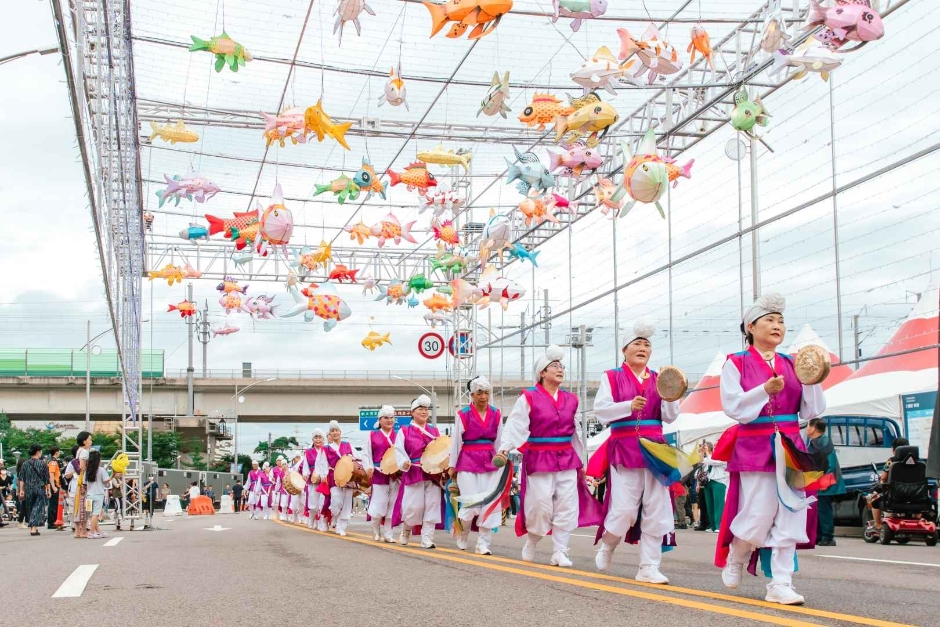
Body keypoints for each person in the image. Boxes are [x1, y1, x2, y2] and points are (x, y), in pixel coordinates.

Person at [716, 293, 825, 606]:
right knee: (758, 513)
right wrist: (763, 390)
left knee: (792, 513)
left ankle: (780, 583)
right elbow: (734, 407)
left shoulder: (792, 363)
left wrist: (812, 378)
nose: (777, 325)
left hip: (791, 447)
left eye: (781, 321)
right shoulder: (736, 362)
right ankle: (737, 554)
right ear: (751, 327)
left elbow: (811, 410)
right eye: (770, 320)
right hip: (755, 445)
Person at [592, 321, 681, 583]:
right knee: (624, 509)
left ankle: (648, 566)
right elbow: (601, 410)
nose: (642, 348)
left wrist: (671, 394)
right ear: (625, 350)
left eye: (647, 345)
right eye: (637, 344)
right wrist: (628, 406)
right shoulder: (611, 376)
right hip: (625, 447)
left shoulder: (659, 378)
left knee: (657, 508)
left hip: (656, 449)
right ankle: (608, 543)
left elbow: (670, 416)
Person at [498, 345, 600, 568]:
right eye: (554, 366)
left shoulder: (572, 400)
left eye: (561, 366)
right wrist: (504, 448)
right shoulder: (529, 397)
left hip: (566, 457)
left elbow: (576, 433)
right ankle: (533, 539)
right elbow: (515, 424)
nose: (560, 369)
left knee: (566, 504)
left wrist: (581, 461)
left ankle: (560, 551)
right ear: (542, 372)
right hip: (539, 456)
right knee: (541, 505)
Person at [450, 376, 503, 555]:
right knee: (471, 503)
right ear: (472, 394)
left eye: (486, 393)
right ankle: (463, 532)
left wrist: (500, 460)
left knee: (489, 504)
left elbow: (499, 441)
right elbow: (456, 442)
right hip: (467, 461)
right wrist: (452, 465)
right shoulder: (463, 414)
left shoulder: (496, 413)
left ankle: (483, 543)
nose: (483, 396)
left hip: (490, 462)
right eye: (479, 393)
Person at [393, 395, 445, 548]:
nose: (424, 412)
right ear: (412, 412)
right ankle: (406, 529)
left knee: (432, 504)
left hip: (433, 473)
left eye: (426, 409)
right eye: (420, 409)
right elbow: (399, 450)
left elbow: (441, 450)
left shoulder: (434, 431)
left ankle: (427, 538)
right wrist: (404, 462)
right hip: (414, 471)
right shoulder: (405, 430)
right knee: (413, 507)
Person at [361, 405, 400, 543]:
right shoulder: (372, 435)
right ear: (380, 420)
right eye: (386, 418)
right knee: (380, 502)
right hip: (379, 473)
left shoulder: (399, 435)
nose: (389, 420)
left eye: (391, 417)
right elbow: (366, 453)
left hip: (396, 475)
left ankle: (388, 533)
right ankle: (375, 528)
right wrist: (368, 466)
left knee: (393, 503)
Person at [315, 421, 361, 536]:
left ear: (340, 432)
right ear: (330, 434)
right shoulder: (326, 448)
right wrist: (323, 475)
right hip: (333, 477)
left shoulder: (348, 445)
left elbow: (358, 458)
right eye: (332, 431)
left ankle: (341, 527)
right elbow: (321, 463)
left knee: (347, 502)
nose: (335, 432)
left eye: (336, 430)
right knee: (336, 501)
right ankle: (332, 516)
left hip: (348, 477)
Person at [806, 418, 844, 546]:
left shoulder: (824, 442)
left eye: (808, 426)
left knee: (824, 510)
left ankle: (828, 537)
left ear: (813, 428)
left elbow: (830, 464)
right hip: (818, 481)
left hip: (824, 483)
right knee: (818, 509)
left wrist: (823, 482)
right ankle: (819, 536)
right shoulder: (816, 442)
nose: (807, 429)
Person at [870, 437, 909, 532]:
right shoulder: (919, 461)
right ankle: (916, 519)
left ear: (894, 450)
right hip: (915, 497)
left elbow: (883, 478)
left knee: (874, 499)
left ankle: (877, 525)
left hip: (895, 496)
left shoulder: (891, 461)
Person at [18, 444, 51, 536]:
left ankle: (34, 527)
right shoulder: (43, 464)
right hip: (39, 488)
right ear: (38, 452)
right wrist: (48, 490)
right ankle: (33, 528)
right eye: (41, 451)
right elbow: (46, 479)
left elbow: (22, 478)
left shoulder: (25, 464)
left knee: (31, 507)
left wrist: (21, 490)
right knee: (37, 507)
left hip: (28, 489)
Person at [301, 430, 327, 530]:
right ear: (313, 439)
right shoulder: (308, 452)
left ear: (323, 439)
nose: (318, 439)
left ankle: (321, 522)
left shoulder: (326, 450)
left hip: (324, 480)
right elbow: (306, 465)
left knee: (322, 502)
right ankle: (311, 519)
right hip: (313, 480)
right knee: (313, 503)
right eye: (316, 437)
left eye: (320, 437)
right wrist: (305, 474)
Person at [84, 450, 113, 539]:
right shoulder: (101, 470)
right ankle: (91, 532)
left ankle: (99, 531)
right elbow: (106, 481)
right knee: (95, 514)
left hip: (89, 495)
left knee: (92, 514)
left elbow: (84, 484)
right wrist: (113, 475)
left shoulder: (87, 471)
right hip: (98, 494)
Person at [702, 442, 728, 534]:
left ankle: (719, 526)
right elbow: (702, 463)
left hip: (719, 482)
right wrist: (701, 452)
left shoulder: (724, 457)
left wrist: (707, 452)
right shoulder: (709, 457)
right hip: (708, 481)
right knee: (710, 505)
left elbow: (712, 461)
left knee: (718, 505)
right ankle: (712, 526)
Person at [73, 431, 93, 539]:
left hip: (78, 481)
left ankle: (77, 531)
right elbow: (82, 467)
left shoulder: (79, 451)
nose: (91, 441)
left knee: (78, 505)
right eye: (89, 439)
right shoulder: (85, 452)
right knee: (84, 507)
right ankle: (83, 531)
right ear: (84, 441)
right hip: (83, 482)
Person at [46, 447, 62, 530]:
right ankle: (51, 522)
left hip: (55, 485)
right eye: (59, 452)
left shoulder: (52, 461)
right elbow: (51, 474)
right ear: (56, 452)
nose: (59, 453)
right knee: (53, 504)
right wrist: (53, 486)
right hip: (54, 485)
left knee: (55, 504)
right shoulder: (53, 462)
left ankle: (54, 521)